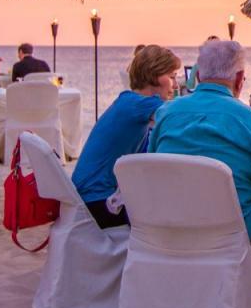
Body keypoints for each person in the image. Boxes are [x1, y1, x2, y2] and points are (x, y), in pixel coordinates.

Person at [150, 40, 251, 249]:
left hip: (171, 230)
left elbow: (153, 164)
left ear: (198, 77)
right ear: (238, 79)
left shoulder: (165, 114)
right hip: (230, 237)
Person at [71, 45, 181, 228]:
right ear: (154, 75)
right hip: (98, 202)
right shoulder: (140, 105)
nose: (176, 85)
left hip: (87, 199)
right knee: (170, 216)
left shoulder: (129, 102)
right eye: (172, 77)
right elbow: (180, 119)